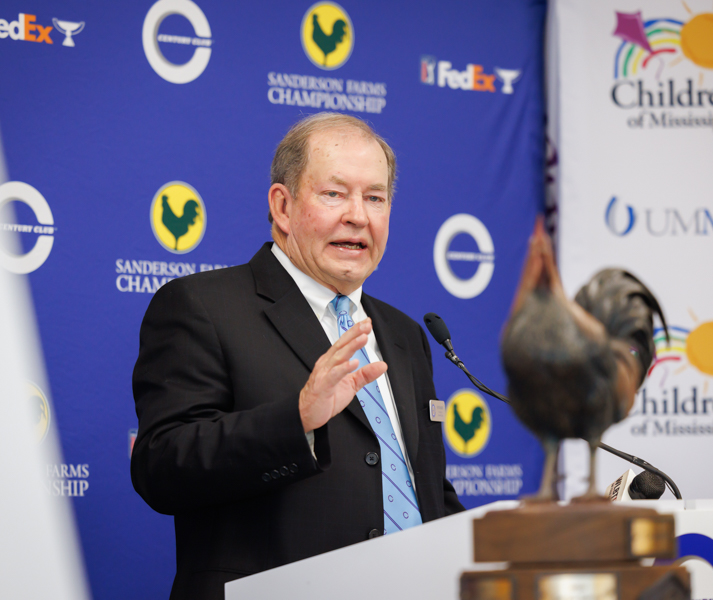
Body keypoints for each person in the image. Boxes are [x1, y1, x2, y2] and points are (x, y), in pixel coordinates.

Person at [131, 113, 464, 600]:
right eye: (334, 194)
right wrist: (298, 421)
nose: (358, 215)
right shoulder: (202, 307)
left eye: (375, 197)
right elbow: (161, 468)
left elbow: (426, 493)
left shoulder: (405, 334)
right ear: (282, 207)